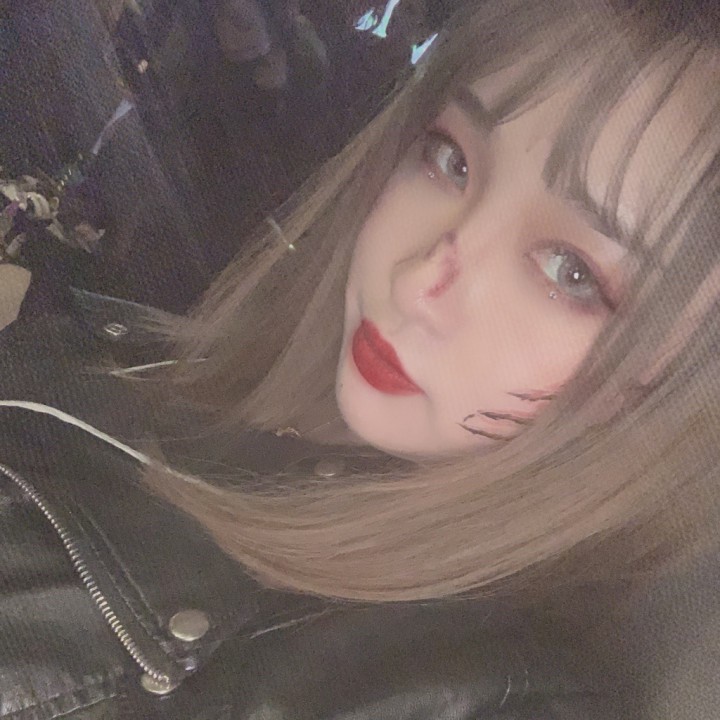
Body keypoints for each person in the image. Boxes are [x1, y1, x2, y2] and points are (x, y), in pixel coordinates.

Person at [1, 0, 720, 717]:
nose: (415, 281)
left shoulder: (486, 698)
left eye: (572, 271)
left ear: (674, 381)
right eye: (452, 159)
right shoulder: (161, 353)